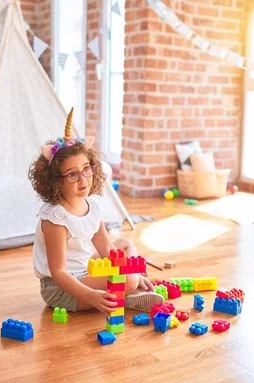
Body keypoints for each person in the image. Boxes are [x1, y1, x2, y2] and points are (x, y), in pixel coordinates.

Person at [28, 108, 164, 314]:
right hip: (63, 288)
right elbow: (58, 272)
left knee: (125, 245)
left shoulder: (91, 207)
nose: (83, 179)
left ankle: (127, 289)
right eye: (72, 175)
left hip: (86, 271)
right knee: (127, 278)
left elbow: (107, 248)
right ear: (54, 181)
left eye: (86, 169)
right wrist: (92, 295)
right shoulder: (55, 218)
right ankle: (126, 294)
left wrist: (129, 269)